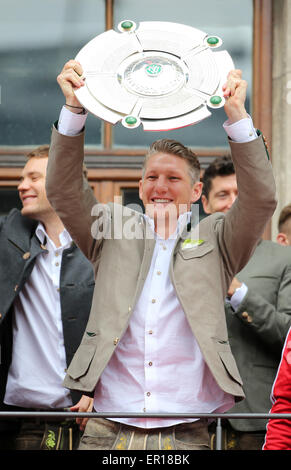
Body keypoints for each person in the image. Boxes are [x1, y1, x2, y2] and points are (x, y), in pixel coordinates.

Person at [45, 60, 276, 451]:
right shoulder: (110, 228)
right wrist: (74, 110)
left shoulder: (218, 236)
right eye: (152, 177)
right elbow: (65, 191)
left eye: (173, 178)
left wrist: (237, 117)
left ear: (195, 190)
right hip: (109, 421)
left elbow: (260, 199)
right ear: (139, 185)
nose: (161, 186)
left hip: (186, 427)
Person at [0, 145, 94, 450]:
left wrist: (98, 386)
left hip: (93, 418)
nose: (21, 185)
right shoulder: (10, 237)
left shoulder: (103, 247)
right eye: (22, 178)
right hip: (22, 420)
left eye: (33, 177)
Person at [201, 157, 291, 450]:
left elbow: (287, 334)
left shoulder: (283, 259)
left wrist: (237, 292)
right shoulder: (184, 256)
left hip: (257, 420)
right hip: (191, 418)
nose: (233, 203)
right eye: (223, 195)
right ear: (205, 203)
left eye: (240, 194)